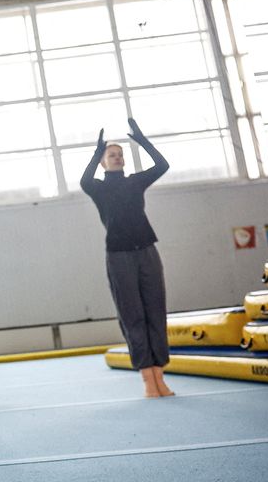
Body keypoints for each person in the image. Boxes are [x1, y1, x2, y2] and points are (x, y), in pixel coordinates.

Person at [80, 118, 174, 398]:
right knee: (132, 315)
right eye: (112, 155)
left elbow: (162, 165)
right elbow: (84, 180)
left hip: (146, 250)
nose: (117, 158)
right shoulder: (98, 188)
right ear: (103, 162)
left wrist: (142, 141)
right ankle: (148, 379)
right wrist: (96, 152)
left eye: (120, 154)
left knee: (155, 312)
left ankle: (160, 375)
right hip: (119, 256)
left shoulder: (135, 181)